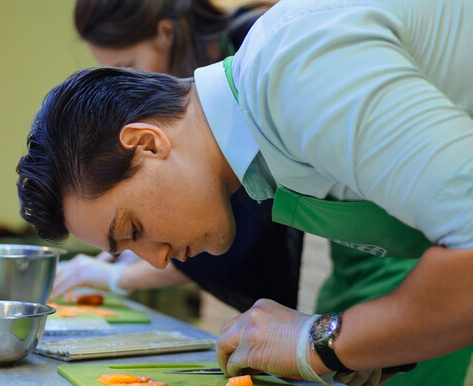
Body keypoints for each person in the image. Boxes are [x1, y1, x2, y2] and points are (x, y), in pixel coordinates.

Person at [16, 0, 473, 386]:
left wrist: (320, 342)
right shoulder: (265, 160)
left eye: (132, 229)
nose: (153, 261)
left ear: (148, 144)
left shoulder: (298, 70)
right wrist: (368, 344)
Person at [56, 0, 303, 315]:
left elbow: (243, 232)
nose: (126, 83)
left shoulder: (260, 57)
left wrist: (121, 276)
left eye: (129, 64)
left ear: (165, 32)